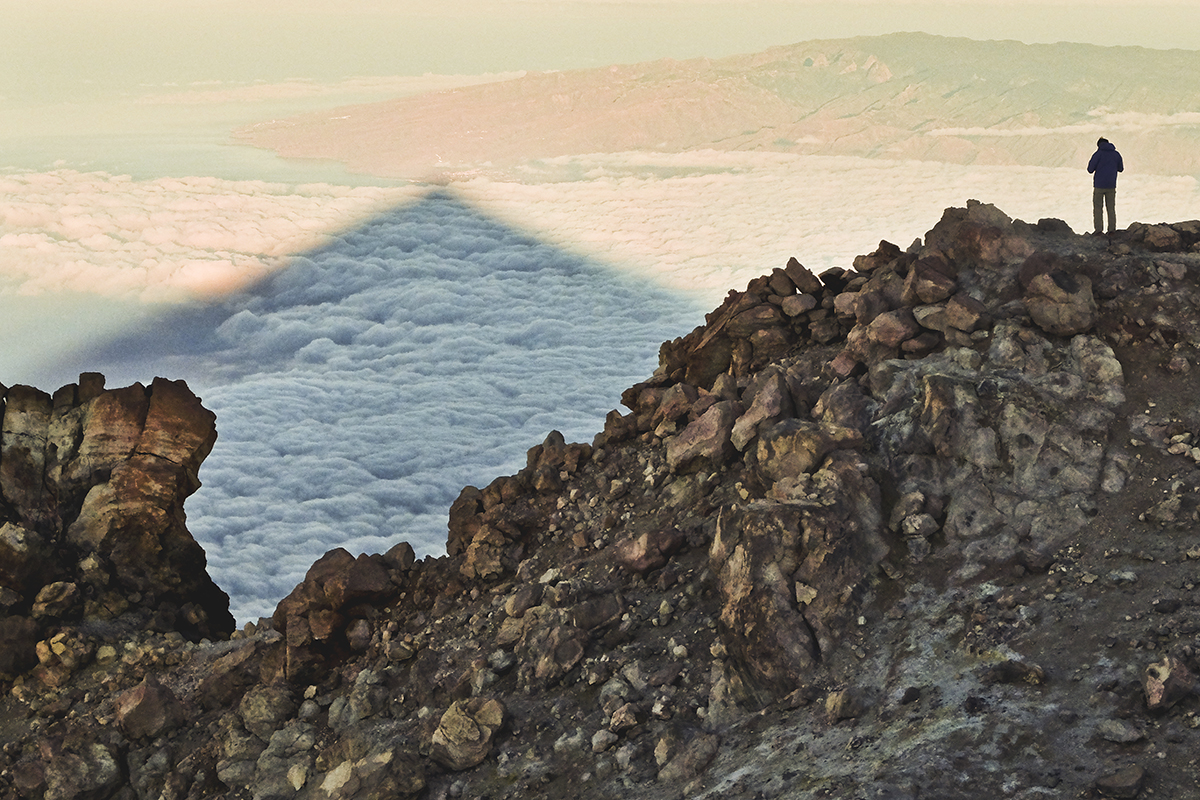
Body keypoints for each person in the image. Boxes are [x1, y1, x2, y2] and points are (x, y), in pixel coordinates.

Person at [1087, 137, 1123, 235]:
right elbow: (1121, 168)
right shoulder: (1116, 154)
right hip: (1111, 185)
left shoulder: (1097, 154)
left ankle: (1099, 230)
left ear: (1099, 145)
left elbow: (1090, 169)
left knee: (1098, 208)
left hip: (1099, 185)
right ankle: (1112, 229)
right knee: (1111, 208)